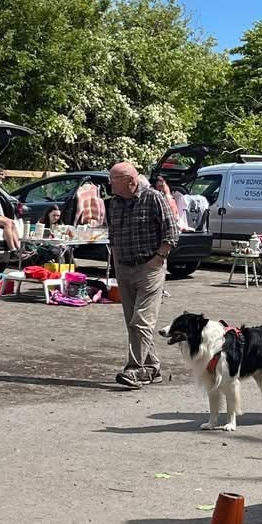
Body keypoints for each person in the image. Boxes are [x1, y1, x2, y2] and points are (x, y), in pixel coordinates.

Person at [106, 160, 178, 388]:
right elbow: (114, 236)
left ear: (131, 181)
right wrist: (116, 264)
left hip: (149, 267)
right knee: (133, 323)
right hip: (124, 267)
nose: (110, 186)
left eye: (113, 181)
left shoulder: (154, 198)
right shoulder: (115, 203)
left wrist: (158, 259)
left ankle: (134, 369)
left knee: (141, 321)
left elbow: (172, 231)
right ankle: (152, 368)